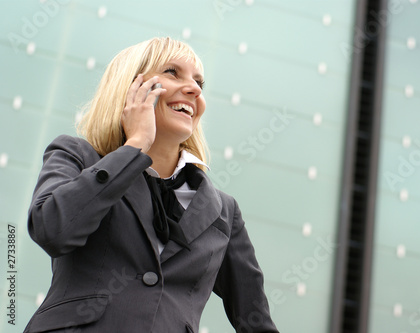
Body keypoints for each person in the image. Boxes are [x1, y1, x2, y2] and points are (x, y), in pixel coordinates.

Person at [24, 37, 279, 333]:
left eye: (199, 83)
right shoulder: (76, 157)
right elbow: (52, 229)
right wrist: (135, 146)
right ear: (130, 89)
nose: (195, 89)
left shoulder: (224, 211)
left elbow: (255, 319)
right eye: (172, 72)